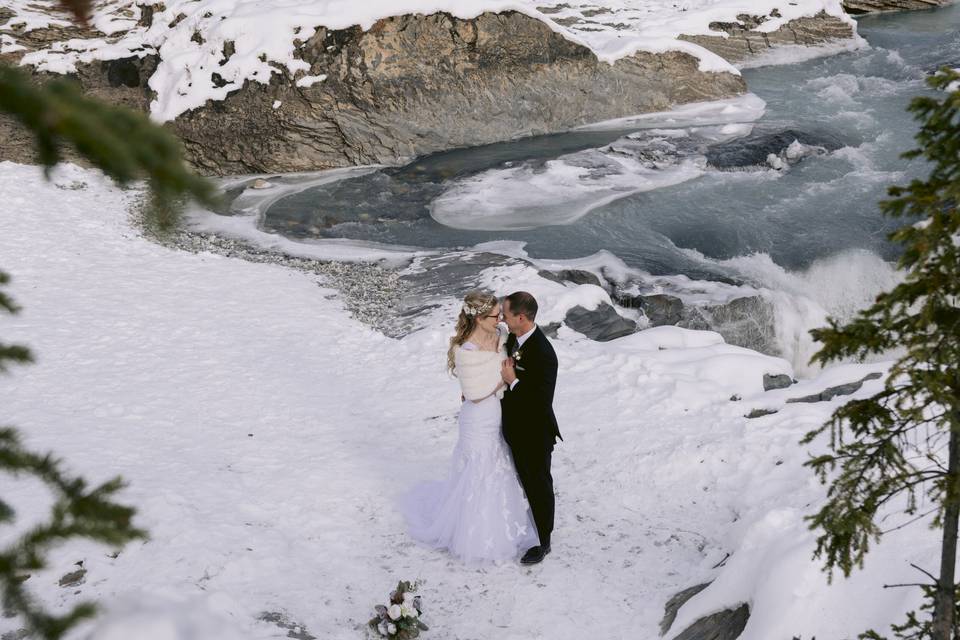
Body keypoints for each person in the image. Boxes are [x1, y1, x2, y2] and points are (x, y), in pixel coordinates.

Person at [401, 291, 537, 564]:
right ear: (478, 317)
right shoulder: (465, 350)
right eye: (494, 315)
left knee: (498, 465)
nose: (500, 318)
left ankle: (504, 522)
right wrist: (506, 378)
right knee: (477, 471)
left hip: (497, 414)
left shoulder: (500, 335)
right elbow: (475, 392)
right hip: (477, 417)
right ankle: (472, 533)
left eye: (501, 314)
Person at [500, 291, 561, 565]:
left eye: (506, 314)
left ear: (521, 318)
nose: (502, 318)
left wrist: (513, 381)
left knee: (538, 485)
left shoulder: (545, 353)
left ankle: (543, 541)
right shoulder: (514, 338)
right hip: (513, 429)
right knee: (520, 481)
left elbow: (540, 402)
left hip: (535, 434)